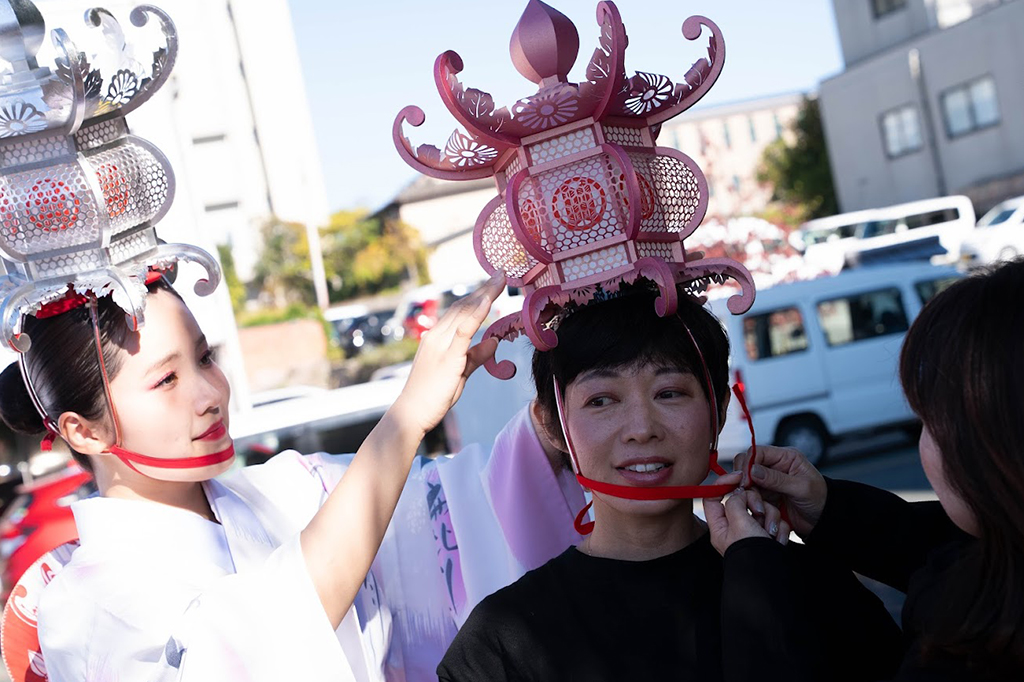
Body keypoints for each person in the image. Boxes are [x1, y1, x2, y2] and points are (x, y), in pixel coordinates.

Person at [0, 270, 576, 681]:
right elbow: (258, 644)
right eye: (166, 380)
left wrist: (565, 425)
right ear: (83, 431)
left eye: (204, 358)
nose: (210, 394)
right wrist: (405, 418)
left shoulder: (287, 490)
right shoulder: (87, 606)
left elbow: (457, 502)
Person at [437, 285, 903, 682]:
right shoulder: (500, 643)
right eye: (601, 400)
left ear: (720, 409)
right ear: (553, 427)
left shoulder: (811, 586)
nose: (642, 429)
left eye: (670, 392)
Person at [734, 258, 1024, 681]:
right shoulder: (992, 557)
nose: (643, 431)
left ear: (988, 441)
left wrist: (757, 581)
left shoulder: (975, 649)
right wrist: (828, 509)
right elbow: (933, 544)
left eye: (927, 422)